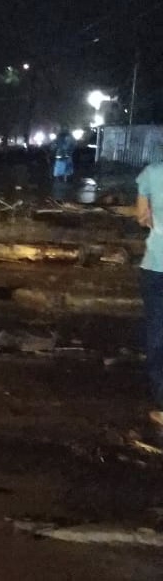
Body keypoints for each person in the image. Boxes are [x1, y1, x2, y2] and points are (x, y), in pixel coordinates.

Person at [135, 162, 163, 427]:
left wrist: (155, 217)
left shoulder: (152, 174)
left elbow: (142, 217)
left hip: (156, 266)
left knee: (157, 333)